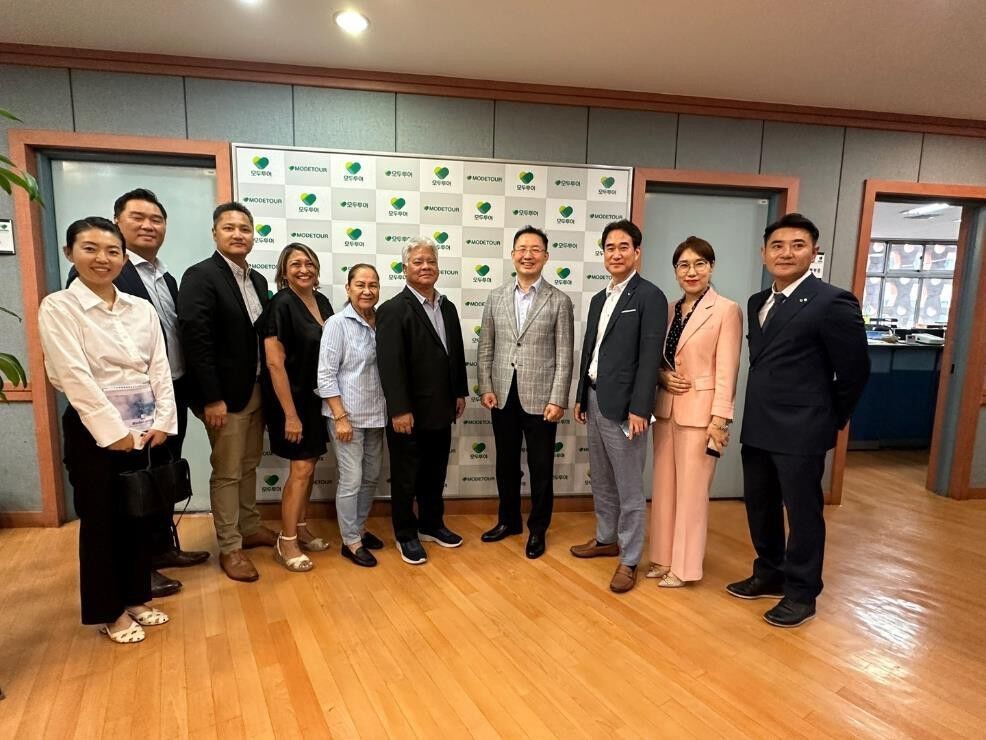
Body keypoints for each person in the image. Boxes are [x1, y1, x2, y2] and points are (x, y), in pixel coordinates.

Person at [727, 213, 869, 627]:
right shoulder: (757, 302)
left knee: (803, 514)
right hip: (758, 425)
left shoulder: (832, 301)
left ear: (814, 252)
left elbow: (856, 371)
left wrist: (831, 417)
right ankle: (769, 573)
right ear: (764, 252)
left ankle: (802, 592)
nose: (786, 253)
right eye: (777, 245)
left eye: (797, 245)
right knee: (760, 505)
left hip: (803, 429)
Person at [39, 216, 176, 643]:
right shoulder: (59, 307)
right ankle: (107, 610)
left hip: (142, 427)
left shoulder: (141, 309)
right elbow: (73, 375)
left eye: (112, 251)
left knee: (139, 512)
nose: (103, 258)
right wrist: (110, 430)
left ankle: (136, 596)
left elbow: (159, 367)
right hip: (92, 430)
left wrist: (162, 422)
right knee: (101, 522)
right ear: (70, 253)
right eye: (90, 248)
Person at [69, 188, 209, 600]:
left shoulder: (163, 275)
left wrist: (176, 402)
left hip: (170, 394)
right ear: (118, 222)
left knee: (161, 475)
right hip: (122, 410)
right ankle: (139, 568)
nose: (148, 226)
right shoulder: (101, 275)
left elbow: (172, 343)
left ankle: (162, 547)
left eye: (156, 219)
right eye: (137, 218)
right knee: (130, 488)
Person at [178, 202, 278, 583]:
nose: (239, 234)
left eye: (245, 228)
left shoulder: (258, 281)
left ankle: (250, 527)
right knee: (227, 472)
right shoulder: (200, 276)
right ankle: (231, 546)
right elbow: (195, 339)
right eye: (230, 228)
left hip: (255, 390)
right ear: (215, 233)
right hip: (224, 397)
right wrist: (211, 397)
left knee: (250, 464)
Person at [570, 219, 667, 593]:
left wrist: (640, 408)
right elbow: (590, 352)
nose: (616, 253)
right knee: (603, 480)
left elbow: (649, 358)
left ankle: (629, 559)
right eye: (609, 247)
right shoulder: (599, 298)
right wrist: (581, 395)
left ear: (637, 252)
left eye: (623, 246)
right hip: (595, 399)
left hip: (626, 408)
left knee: (628, 488)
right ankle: (606, 538)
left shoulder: (649, 296)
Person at [648, 237, 742, 588]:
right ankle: (662, 558)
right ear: (675, 271)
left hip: (703, 416)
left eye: (700, 264)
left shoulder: (726, 310)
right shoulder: (670, 309)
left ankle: (685, 568)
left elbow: (727, 370)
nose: (692, 272)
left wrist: (721, 419)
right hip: (667, 410)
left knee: (692, 494)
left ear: (711, 267)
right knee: (665, 488)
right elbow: (659, 361)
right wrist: (661, 376)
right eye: (684, 265)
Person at [477, 226, 574, 558]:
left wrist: (558, 398)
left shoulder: (559, 301)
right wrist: (486, 386)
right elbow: (485, 347)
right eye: (522, 248)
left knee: (541, 467)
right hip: (502, 394)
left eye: (535, 249)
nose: (528, 254)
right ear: (512, 254)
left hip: (541, 399)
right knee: (506, 464)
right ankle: (509, 521)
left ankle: (537, 529)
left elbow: (565, 355)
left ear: (546, 256)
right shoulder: (496, 296)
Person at [376, 236, 468, 565]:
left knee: (435, 471)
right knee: (406, 475)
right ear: (404, 269)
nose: (425, 266)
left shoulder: (448, 306)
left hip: (442, 408)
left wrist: (460, 391)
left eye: (430, 261)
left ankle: (431, 524)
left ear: (438, 267)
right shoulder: (391, 310)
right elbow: (390, 365)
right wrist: (399, 409)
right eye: (418, 262)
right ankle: (405, 533)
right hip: (409, 413)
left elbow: (453, 354)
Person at [257, 243, 334, 572]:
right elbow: (275, 364)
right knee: (300, 469)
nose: (304, 269)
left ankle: (300, 528)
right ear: (283, 271)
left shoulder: (323, 301)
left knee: (310, 466)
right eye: (296, 264)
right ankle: (286, 542)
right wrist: (290, 414)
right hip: (291, 400)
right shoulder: (280, 305)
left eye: (309, 263)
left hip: (318, 398)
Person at [317, 264, 387, 568]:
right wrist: (340, 417)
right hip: (346, 416)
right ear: (348, 288)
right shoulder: (337, 324)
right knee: (352, 479)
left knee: (371, 477)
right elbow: (326, 375)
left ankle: (358, 527)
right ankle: (350, 541)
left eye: (373, 285)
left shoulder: (381, 322)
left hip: (377, 415)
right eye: (360, 284)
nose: (367, 291)